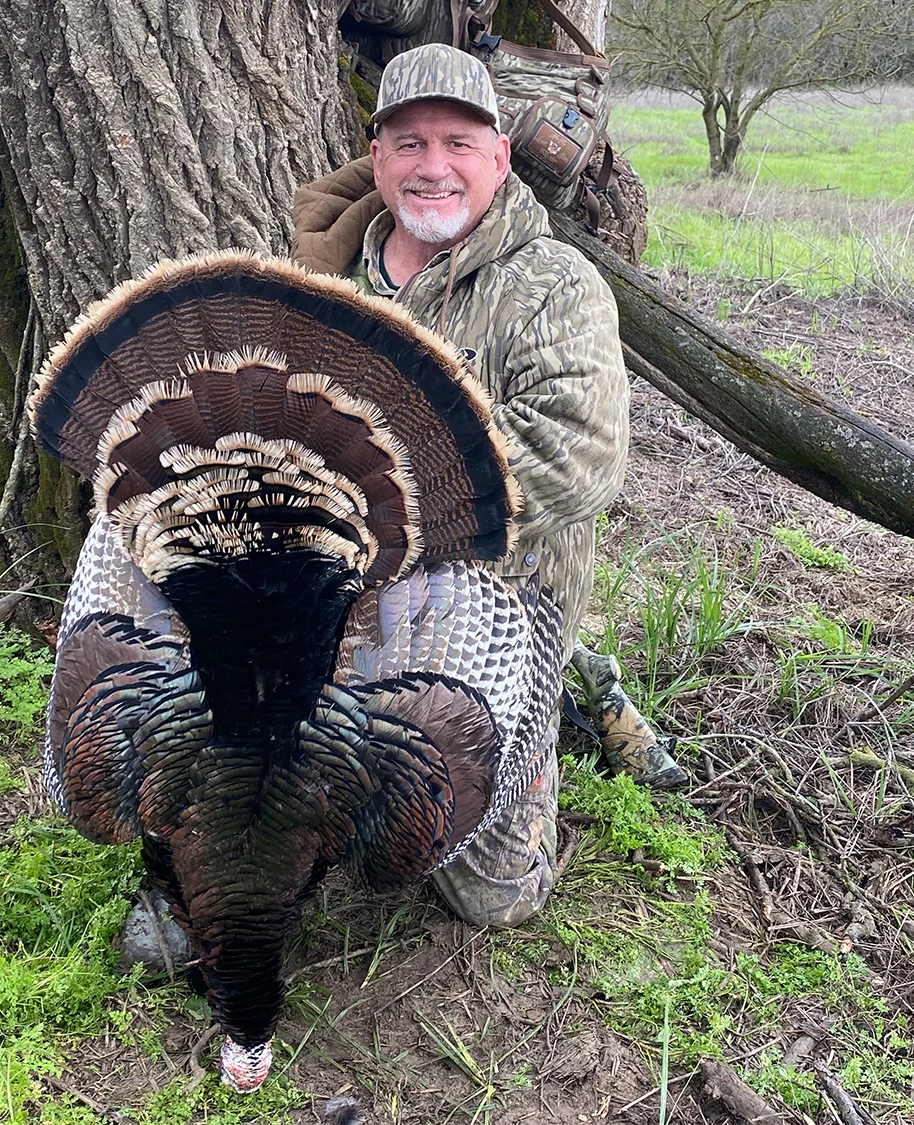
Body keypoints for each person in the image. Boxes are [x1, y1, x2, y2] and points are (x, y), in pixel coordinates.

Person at [288, 43, 680, 927]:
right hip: (336, 586)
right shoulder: (317, 281)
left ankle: (547, 722)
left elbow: (577, 455)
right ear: (377, 157)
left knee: (486, 893)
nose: (435, 167)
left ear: (499, 159)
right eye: (411, 143)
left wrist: (381, 517)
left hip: (501, 596)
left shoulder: (555, 286)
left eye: (460, 143)